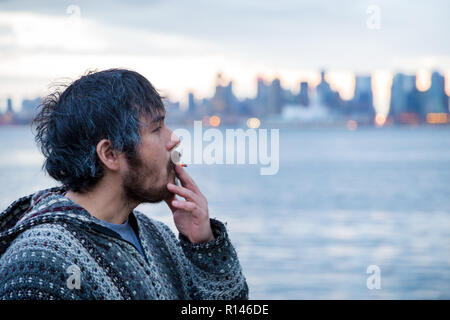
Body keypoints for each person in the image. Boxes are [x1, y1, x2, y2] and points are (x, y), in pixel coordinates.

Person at [0, 69, 249, 300]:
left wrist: (204, 245)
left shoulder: (159, 239)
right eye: (157, 128)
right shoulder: (41, 263)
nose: (174, 139)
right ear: (109, 154)